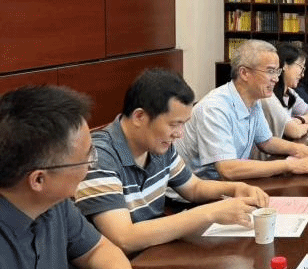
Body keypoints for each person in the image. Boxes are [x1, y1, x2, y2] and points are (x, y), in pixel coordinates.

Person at [0, 85, 158, 269]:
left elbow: (96, 249)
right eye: (87, 158)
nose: (92, 165)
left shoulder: (54, 203)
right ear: (38, 179)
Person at [75, 69, 270, 254]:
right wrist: (210, 213)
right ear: (139, 117)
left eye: (183, 124)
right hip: (122, 268)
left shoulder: (159, 145)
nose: (179, 134)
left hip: (155, 252)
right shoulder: (100, 156)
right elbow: (124, 238)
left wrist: (235, 188)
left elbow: (194, 188)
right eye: (174, 124)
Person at [175, 39, 308, 181]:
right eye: (270, 71)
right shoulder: (215, 108)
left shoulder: (254, 100)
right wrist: (289, 165)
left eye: (277, 71)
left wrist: (302, 150)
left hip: (225, 186)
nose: (276, 79)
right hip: (194, 196)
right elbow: (228, 169)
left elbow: (267, 142)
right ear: (244, 73)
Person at [261, 43, 308, 139]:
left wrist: (299, 120)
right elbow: (294, 131)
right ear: (284, 65)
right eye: (301, 67)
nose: (302, 75)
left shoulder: (290, 93)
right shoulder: (268, 94)